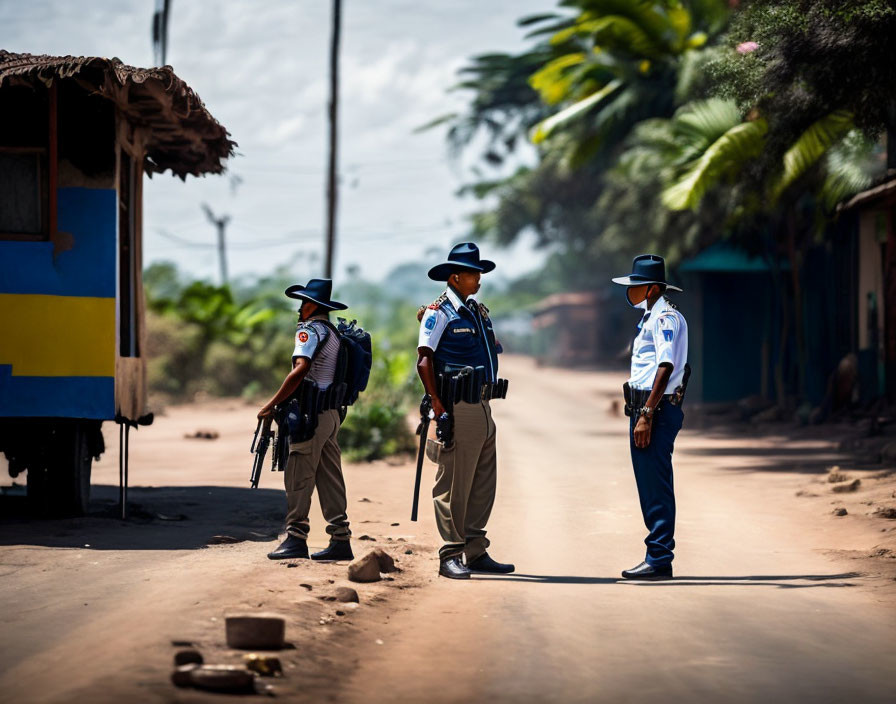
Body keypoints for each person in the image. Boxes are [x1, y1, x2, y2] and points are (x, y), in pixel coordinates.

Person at [416, 242, 514, 580]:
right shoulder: (439, 312)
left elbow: (490, 349)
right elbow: (424, 359)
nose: (479, 279)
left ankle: (475, 549)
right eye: (474, 274)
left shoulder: (476, 311)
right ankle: (450, 553)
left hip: (483, 405)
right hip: (458, 406)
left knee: (483, 482)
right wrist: (438, 405)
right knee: (454, 482)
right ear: (456, 277)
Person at [260, 278, 354, 562]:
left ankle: (296, 538)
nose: (299, 309)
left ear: (312, 305)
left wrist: (271, 404)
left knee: (299, 475)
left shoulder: (309, 331)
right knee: (330, 478)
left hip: (311, 416)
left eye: (302, 303)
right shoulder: (334, 332)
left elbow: (300, 370)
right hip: (331, 414)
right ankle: (340, 539)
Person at [612, 255, 689, 580]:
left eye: (638, 286)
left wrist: (646, 413)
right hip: (646, 408)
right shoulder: (649, 318)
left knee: (655, 484)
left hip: (654, 410)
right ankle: (658, 555)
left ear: (654, 288)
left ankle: (659, 557)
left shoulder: (664, 319)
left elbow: (666, 365)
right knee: (649, 483)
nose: (632, 291)